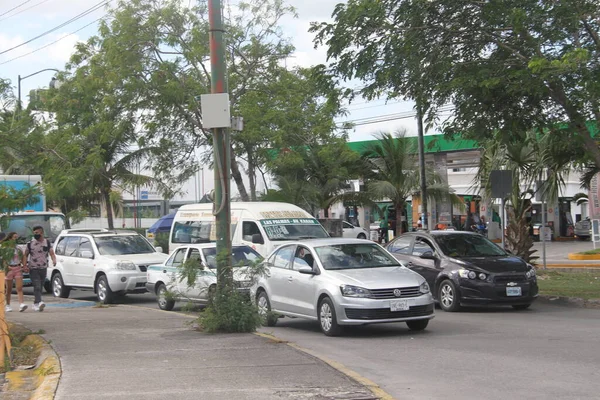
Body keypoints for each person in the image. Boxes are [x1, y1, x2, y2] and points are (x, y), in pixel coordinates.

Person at [22, 226, 57, 312]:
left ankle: (35, 303)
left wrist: (54, 260)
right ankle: (40, 302)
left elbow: (51, 253)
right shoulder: (30, 243)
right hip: (33, 268)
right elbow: (25, 255)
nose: (35, 234)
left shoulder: (47, 243)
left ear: (42, 233)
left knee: (40, 286)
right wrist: (24, 265)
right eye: (34, 233)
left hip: (43, 268)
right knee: (37, 285)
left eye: (37, 233)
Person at [3, 232, 28, 312]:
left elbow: (23, 256)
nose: (15, 239)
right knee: (9, 289)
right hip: (9, 269)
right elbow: (3, 258)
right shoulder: (5, 248)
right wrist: (6, 266)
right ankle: (8, 305)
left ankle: (21, 304)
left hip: (17, 268)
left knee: (19, 287)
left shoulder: (18, 248)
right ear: (10, 238)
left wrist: (24, 265)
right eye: (14, 237)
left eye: (16, 237)